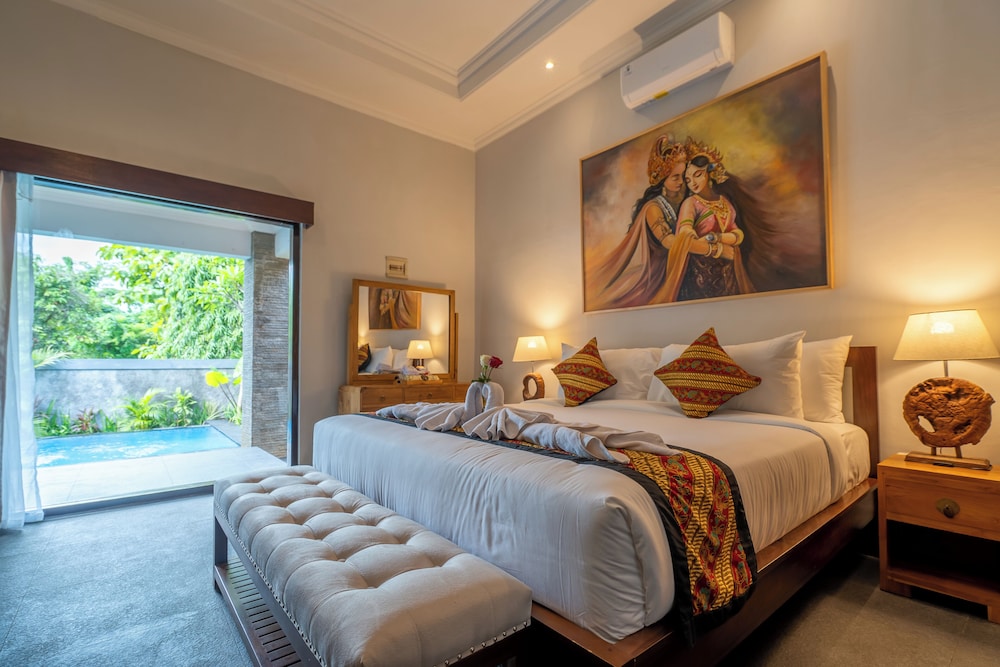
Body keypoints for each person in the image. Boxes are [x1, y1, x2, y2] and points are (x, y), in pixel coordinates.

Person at [590, 136, 688, 309]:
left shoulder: (678, 203)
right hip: (656, 276)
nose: (681, 181)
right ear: (662, 180)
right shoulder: (653, 208)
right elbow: (669, 242)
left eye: (683, 176)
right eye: (675, 177)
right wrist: (705, 245)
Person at [661, 138, 757, 301]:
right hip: (699, 275)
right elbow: (685, 238)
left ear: (710, 172)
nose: (692, 183)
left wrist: (715, 237)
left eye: (697, 175)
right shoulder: (690, 203)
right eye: (688, 180)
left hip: (727, 274)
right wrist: (719, 249)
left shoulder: (724, 202)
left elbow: (737, 234)